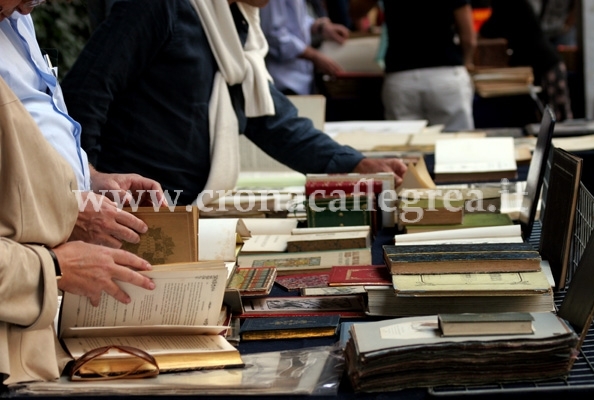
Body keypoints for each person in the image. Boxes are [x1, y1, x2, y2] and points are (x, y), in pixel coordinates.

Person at [61, 0, 407, 209]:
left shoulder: (234, 24)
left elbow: (269, 118)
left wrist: (355, 163)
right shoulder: (157, 6)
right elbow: (86, 93)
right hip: (136, 210)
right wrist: (88, 183)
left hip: (190, 209)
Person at [0, 74, 157, 385]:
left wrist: (86, 178)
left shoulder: (17, 28)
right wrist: (57, 266)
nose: (29, 20)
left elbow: (39, 134)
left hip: (33, 344)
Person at [0, 0, 168, 250]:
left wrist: (89, 178)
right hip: (25, 255)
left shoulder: (15, 15)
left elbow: (39, 122)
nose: (27, 8)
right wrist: (66, 213)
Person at [350, 0, 477, 131]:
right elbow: (468, 38)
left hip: (401, 75)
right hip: (445, 73)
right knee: (454, 143)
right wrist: (466, 62)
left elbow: (356, 11)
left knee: (405, 145)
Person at [479, 0, 573, 122]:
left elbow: (489, 29)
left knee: (555, 122)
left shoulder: (509, 4)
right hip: (540, 66)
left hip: (546, 66)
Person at [259, 0, 349, 95]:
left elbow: (297, 19)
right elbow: (273, 36)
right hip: (283, 82)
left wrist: (319, 26)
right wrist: (314, 56)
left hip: (302, 79)